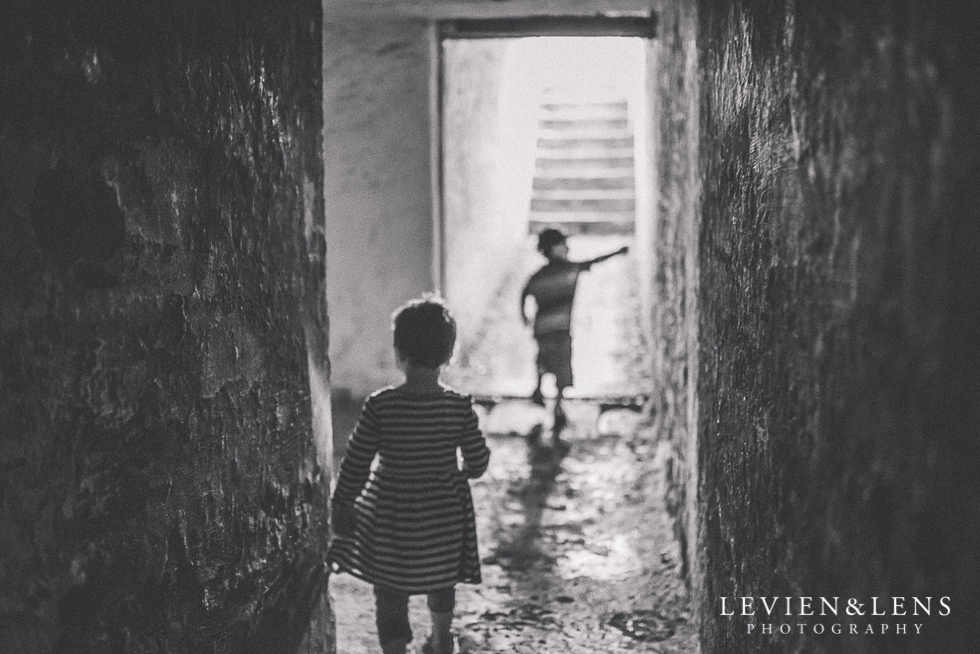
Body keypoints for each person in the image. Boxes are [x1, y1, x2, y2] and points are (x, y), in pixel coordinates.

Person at [328, 297, 491, 654]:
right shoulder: (459, 406)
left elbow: (356, 462)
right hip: (443, 516)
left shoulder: (381, 405)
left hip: (391, 518)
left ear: (399, 352)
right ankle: (441, 637)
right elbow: (478, 460)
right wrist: (464, 472)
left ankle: (395, 647)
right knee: (442, 578)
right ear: (449, 354)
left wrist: (343, 501)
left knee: (389, 589)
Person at [520, 228, 629, 434]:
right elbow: (595, 261)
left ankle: (538, 389)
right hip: (561, 328)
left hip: (542, 328)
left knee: (543, 359)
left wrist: (524, 316)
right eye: (563, 244)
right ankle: (558, 404)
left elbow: (525, 291)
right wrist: (618, 252)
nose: (568, 247)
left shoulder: (539, 275)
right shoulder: (570, 269)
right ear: (553, 249)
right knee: (562, 365)